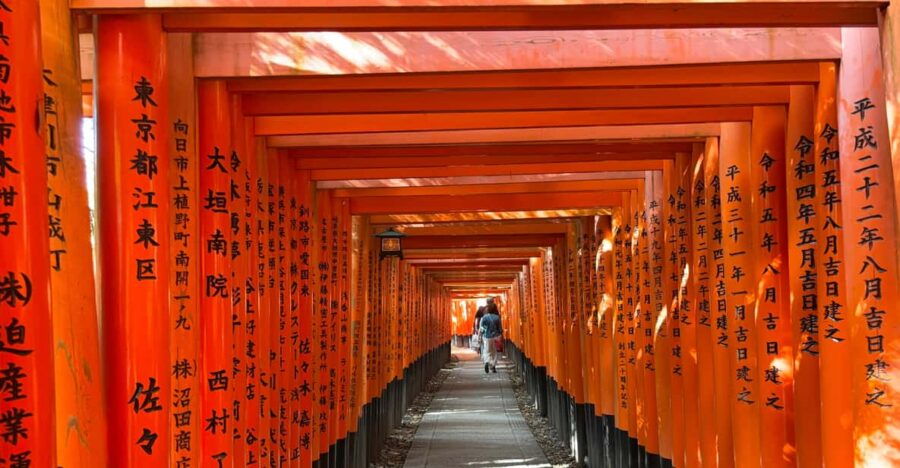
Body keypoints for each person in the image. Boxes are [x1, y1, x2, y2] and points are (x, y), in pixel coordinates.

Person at [479, 302, 503, 373]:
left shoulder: (484, 317)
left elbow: (482, 328)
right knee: (494, 352)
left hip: (487, 337)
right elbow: (500, 329)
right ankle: (493, 365)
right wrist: (500, 334)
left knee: (487, 350)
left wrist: (482, 333)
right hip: (495, 336)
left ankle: (487, 361)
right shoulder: (497, 317)